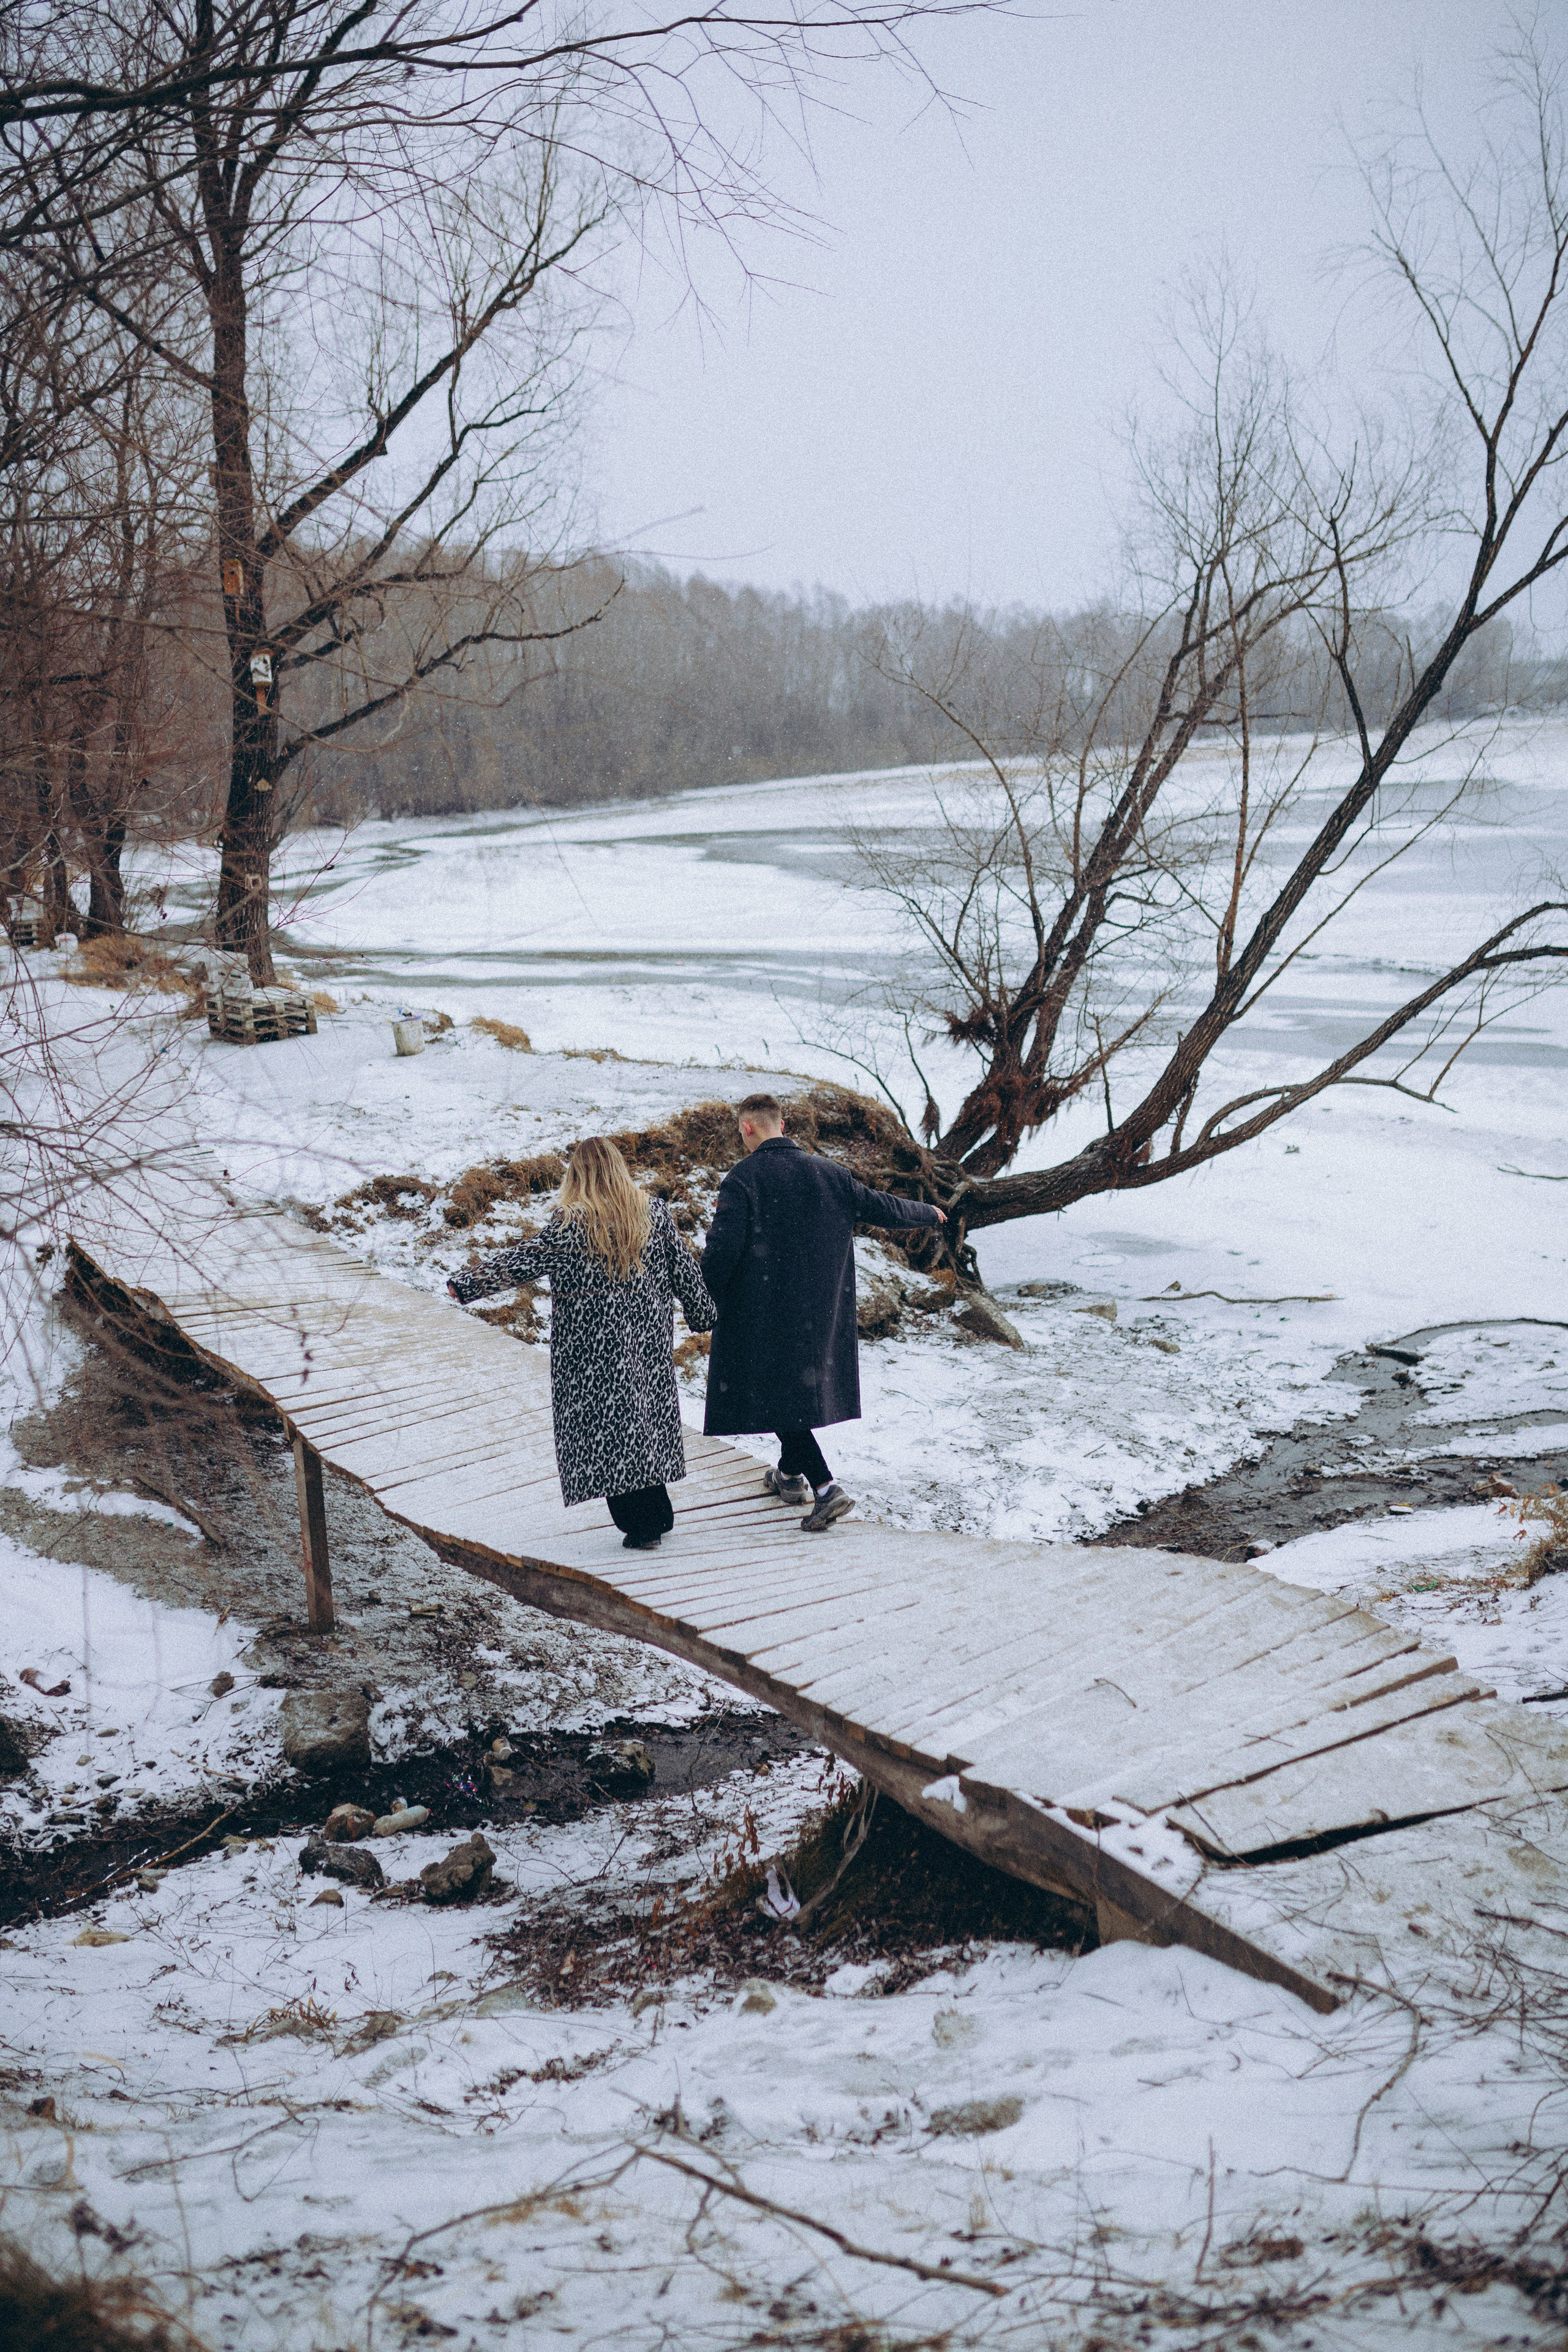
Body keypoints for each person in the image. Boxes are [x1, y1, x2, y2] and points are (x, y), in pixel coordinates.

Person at [448, 1136, 715, 1548]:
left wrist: (463, 1285)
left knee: (607, 1438)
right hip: (646, 1346)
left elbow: (518, 1262)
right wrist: (703, 1314)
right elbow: (686, 1273)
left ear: (578, 1177)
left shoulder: (571, 1227)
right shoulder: (654, 1216)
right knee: (642, 1424)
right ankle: (655, 1517)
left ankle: (645, 1524)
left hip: (590, 1357)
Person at [701, 1093, 944, 1531]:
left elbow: (721, 1253)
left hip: (762, 1314)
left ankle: (826, 1487)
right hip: (819, 1314)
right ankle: (789, 1477)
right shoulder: (830, 1174)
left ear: (747, 1128)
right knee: (791, 1398)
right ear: (784, 1123)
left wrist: (703, 1297)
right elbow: (882, 1208)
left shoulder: (742, 1180)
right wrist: (927, 1213)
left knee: (776, 1400)